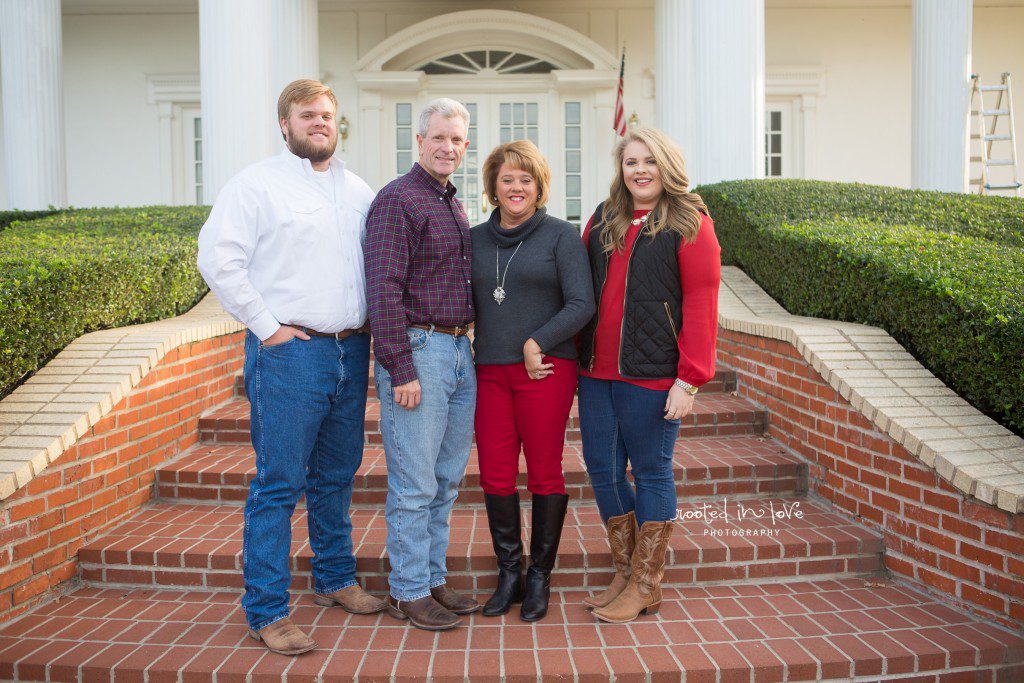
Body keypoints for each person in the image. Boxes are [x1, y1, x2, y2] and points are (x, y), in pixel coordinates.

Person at [197, 79, 384, 656]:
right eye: (307, 116)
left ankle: (333, 579)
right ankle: (268, 610)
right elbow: (217, 258)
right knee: (279, 482)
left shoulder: (358, 191)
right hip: (290, 353)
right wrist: (268, 328)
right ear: (285, 124)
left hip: (350, 351)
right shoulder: (256, 185)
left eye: (327, 116)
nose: (319, 123)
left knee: (336, 474)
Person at [577, 126, 721, 624]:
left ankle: (646, 584)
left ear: (667, 166)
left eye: (649, 161)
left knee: (652, 470)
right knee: (601, 467)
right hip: (597, 371)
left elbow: (702, 303)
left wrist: (690, 379)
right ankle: (624, 570)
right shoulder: (604, 217)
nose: (639, 170)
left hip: (654, 374)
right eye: (631, 162)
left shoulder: (689, 222)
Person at [365, 98, 479, 632]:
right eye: (439, 137)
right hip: (420, 351)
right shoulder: (398, 200)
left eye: (457, 140)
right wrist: (400, 367)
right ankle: (408, 590)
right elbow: (383, 287)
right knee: (414, 483)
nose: (448, 147)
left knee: (446, 479)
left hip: (459, 352)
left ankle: (431, 578)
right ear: (419, 140)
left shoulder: (451, 202)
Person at [470, 140, 595, 621]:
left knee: (544, 469)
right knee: (496, 474)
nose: (516, 187)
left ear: (539, 185)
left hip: (544, 369)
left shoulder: (561, 237)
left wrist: (536, 341)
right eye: (507, 179)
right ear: (493, 187)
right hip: (490, 373)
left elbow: (582, 303)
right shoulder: (475, 238)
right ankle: (510, 575)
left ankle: (540, 576)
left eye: (526, 179)